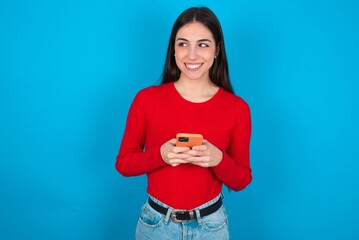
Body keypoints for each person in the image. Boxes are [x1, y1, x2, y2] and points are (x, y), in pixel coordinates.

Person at [115, 6, 252, 240]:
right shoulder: (146, 100)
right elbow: (124, 164)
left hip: (211, 227)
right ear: (173, 50)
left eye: (203, 44)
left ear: (217, 50)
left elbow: (241, 180)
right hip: (155, 225)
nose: (191, 55)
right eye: (183, 44)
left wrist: (218, 159)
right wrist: (160, 155)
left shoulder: (237, 108)